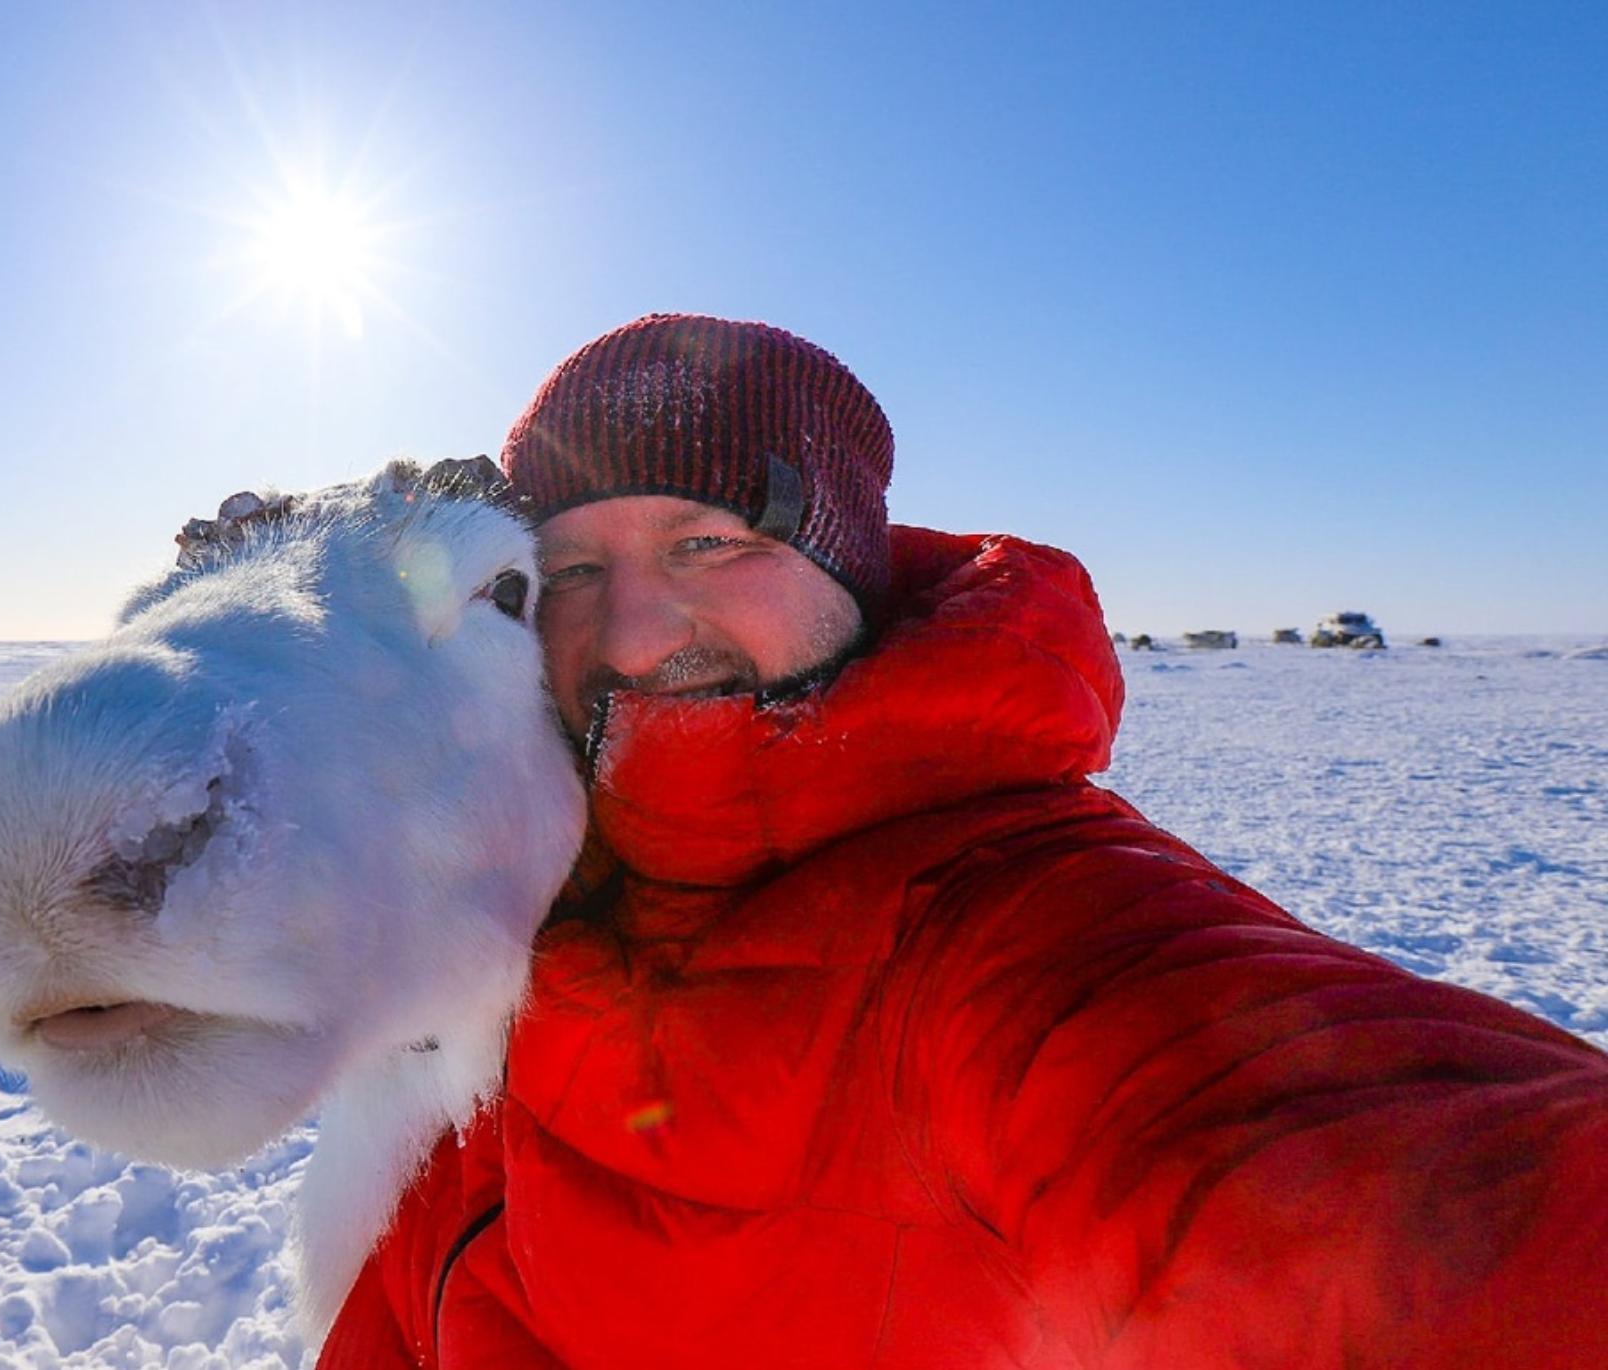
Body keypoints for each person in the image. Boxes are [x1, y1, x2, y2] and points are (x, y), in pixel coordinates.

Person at [315, 313, 1608, 1368]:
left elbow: (1403, 1195)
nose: (636, 633)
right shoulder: (503, 853)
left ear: (850, 573)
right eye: (575, 572)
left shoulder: (1009, 920)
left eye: (712, 541)